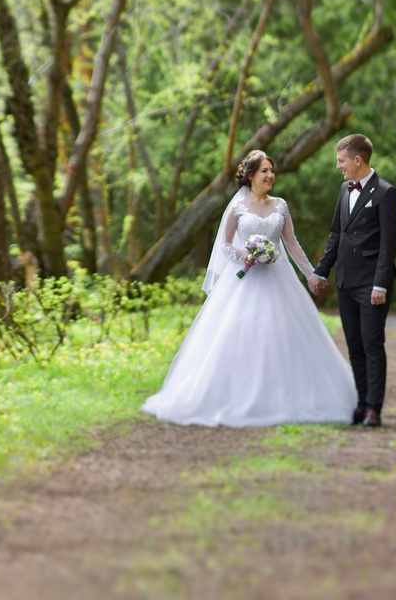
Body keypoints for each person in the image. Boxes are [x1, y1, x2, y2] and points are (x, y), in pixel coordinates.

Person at [141, 150, 356, 426]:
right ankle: (235, 395)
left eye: (272, 170)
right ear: (251, 176)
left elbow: (292, 245)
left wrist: (312, 275)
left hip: (279, 279)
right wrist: (244, 255)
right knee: (240, 333)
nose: (270, 176)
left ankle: (287, 395)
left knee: (281, 334)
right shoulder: (237, 208)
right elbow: (224, 245)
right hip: (244, 280)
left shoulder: (280, 205)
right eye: (264, 171)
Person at [309, 133, 396, 427]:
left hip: (371, 283)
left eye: (341, 160)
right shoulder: (344, 189)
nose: (339, 166)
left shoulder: (386, 193)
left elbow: (389, 244)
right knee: (354, 345)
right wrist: (322, 271)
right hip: (346, 281)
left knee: (372, 343)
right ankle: (361, 404)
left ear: (357, 160)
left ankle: (374, 408)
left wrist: (380, 284)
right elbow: (337, 233)